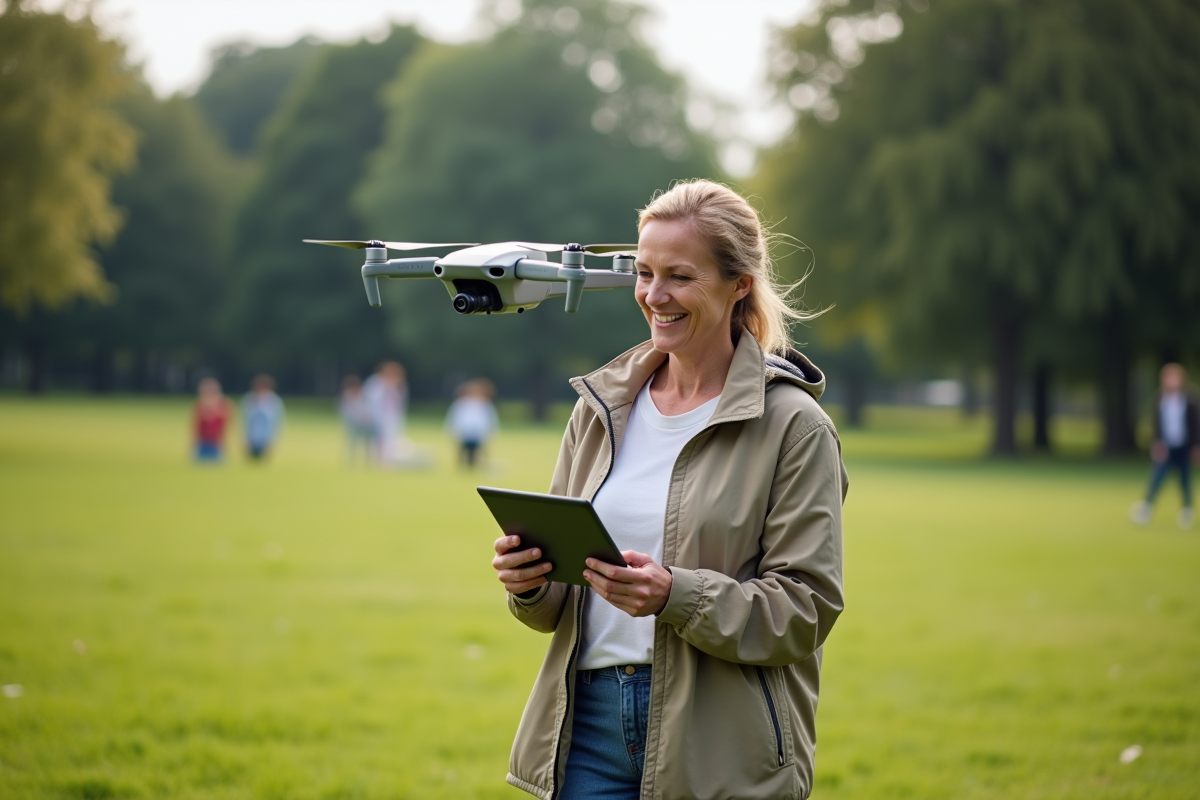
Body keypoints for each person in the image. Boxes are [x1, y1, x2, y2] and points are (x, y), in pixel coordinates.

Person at [491, 179, 848, 800]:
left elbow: (804, 609)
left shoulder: (794, 425)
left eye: (680, 277)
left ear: (740, 284)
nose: (655, 296)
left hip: (719, 740)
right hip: (587, 731)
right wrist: (530, 582)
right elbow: (558, 607)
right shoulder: (602, 407)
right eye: (644, 272)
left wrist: (673, 594)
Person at [1130, 363, 1198, 530]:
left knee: (1185, 479)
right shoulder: (1160, 398)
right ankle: (1146, 508)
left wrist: (1197, 446)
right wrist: (1156, 442)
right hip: (1166, 445)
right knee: (1157, 478)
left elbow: (1196, 424)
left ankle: (1187, 511)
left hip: (1184, 445)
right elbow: (1155, 423)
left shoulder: (1189, 399)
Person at [362, 361, 409, 466]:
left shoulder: (398, 386)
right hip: (377, 416)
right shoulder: (375, 383)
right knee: (378, 440)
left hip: (392, 417)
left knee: (392, 440)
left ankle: (389, 460)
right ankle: (379, 461)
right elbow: (370, 400)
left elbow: (400, 402)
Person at [446, 378, 500, 468]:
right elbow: (455, 418)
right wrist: (454, 430)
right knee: (462, 451)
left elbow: (489, 419)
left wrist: (490, 432)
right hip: (465, 432)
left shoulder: (485, 404)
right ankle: (462, 467)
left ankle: (482, 466)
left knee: (479, 452)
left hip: (479, 433)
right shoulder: (461, 403)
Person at [241, 373, 285, 461]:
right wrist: (244, 439)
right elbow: (245, 421)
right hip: (252, 438)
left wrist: (273, 440)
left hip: (266, 439)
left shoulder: (274, 401)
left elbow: (277, 422)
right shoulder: (249, 400)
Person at [192, 377, 232, 462]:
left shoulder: (223, 403)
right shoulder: (200, 404)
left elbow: (225, 422)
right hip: (203, 441)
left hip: (216, 442)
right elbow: (197, 425)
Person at [338, 375, 376, 464]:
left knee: (367, 443)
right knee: (353, 443)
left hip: (365, 423)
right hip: (353, 424)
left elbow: (367, 408)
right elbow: (346, 412)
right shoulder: (346, 397)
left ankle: (368, 461)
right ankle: (351, 461)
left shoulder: (362, 396)